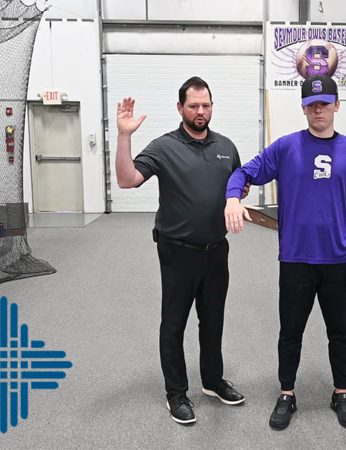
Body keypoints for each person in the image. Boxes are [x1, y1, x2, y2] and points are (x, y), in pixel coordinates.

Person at [223, 74, 346, 431]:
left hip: (338, 261)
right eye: (311, 104)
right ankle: (286, 394)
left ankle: (341, 393)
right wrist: (232, 197)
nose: (318, 109)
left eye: (324, 103)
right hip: (295, 260)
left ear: (336, 105)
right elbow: (244, 173)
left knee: (340, 331)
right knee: (290, 332)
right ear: (303, 108)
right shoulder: (286, 148)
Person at [115, 76, 249, 425]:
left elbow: (238, 184)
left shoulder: (226, 146)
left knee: (213, 320)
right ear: (180, 108)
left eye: (206, 105)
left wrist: (237, 196)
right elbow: (127, 180)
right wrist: (124, 135)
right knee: (174, 324)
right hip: (178, 252)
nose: (200, 111)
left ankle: (213, 381)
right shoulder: (163, 147)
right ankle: (176, 393)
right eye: (193, 106)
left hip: (217, 250)